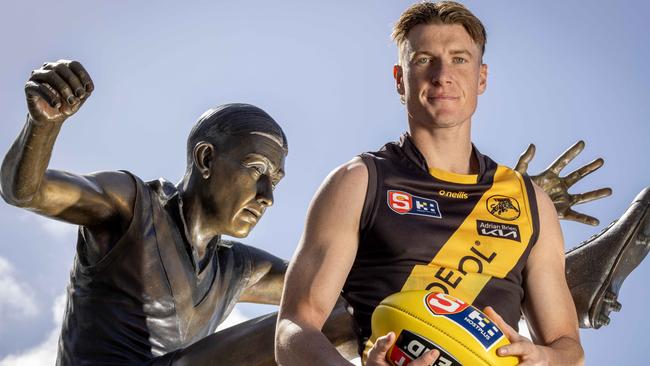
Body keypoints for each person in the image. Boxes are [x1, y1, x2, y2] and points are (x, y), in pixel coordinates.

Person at [275, 2, 589, 365]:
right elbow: (294, 328)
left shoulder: (530, 202)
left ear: (481, 77)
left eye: (459, 59)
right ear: (399, 78)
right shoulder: (359, 183)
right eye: (424, 59)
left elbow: (568, 346)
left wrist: (545, 359)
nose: (443, 75)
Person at [0, 60, 289, 365]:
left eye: (274, 182)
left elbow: (328, 284)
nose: (266, 196)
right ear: (206, 159)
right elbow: (27, 192)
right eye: (256, 169)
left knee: (337, 311)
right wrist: (42, 126)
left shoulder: (234, 269)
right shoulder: (132, 206)